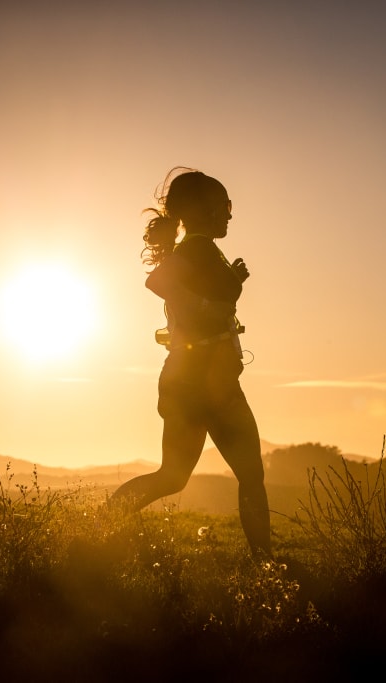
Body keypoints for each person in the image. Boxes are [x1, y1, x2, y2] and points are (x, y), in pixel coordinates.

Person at [109, 167, 271, 557]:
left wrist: (229, 283)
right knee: (251, 475)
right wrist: (208, 307)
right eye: (224, 205)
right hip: (208, 381)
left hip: (186, 378)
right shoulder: (197, 246)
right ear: (204, 210)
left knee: (173, 477)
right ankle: (267, 566)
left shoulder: (200, 248)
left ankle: (103, 522)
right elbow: (160, 282)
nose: (230, 214)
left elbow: (191, 292)